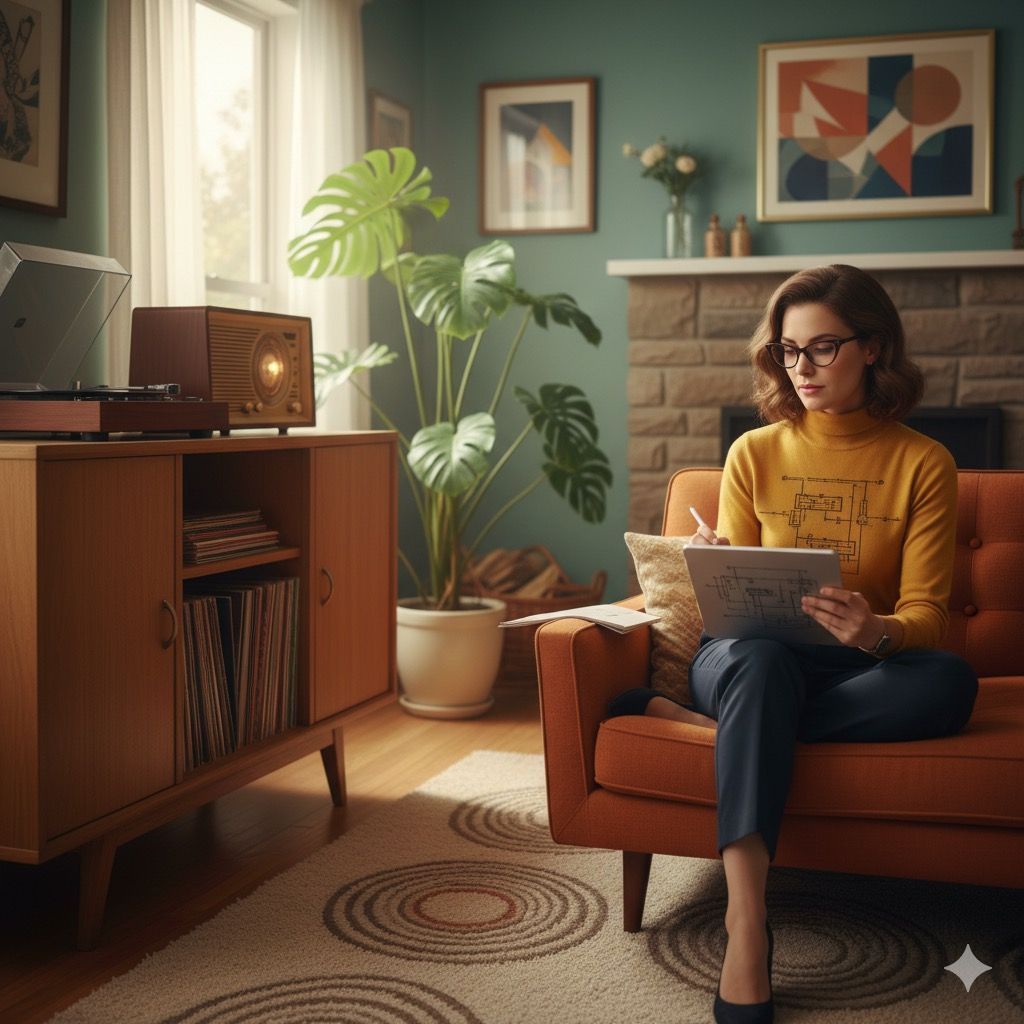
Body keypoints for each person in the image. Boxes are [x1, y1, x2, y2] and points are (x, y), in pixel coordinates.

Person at [608, 264, 979, 1024]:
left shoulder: (923, 462)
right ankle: (748, 922)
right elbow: (733, 607)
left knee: (948, 681)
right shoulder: (752, 453)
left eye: (823, 348)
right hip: (748, 656)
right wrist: (717, 563)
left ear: (874, 348)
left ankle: (724, 731)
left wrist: (878, 630)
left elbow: (927, 617)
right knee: (762, 661)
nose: (800, 369)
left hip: (854, 666)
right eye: (787, 351)